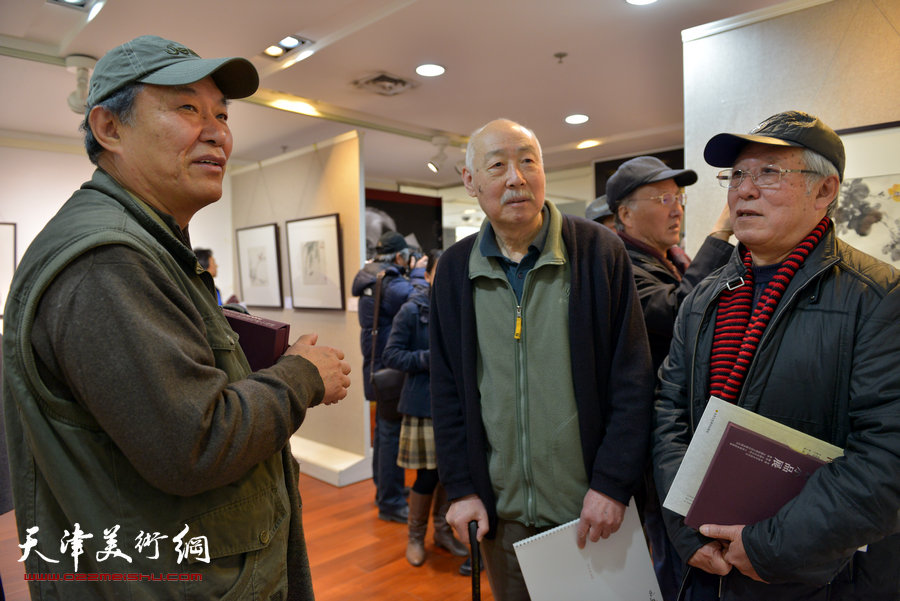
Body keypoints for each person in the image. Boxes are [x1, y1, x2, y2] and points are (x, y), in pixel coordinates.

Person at [2, 35, 351, 601]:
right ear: (109, 129)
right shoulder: (108, 260)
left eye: (221, 113)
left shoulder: (147, 244)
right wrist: (302, 376)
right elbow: (196, 444)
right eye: (187, 107)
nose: (217, 131)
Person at [652, 110, 900, 600]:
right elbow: (669, 413)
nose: (744, 190)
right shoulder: (704, 297)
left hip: (816, 576)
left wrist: (769, 546)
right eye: (738, 175)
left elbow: (887, 454)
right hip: (706, 566)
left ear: (824, 191)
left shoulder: (877, 296)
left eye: (769, 173)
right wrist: (683, 528)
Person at [430, 118, 654, 601]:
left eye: (528, 160)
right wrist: (462, 488)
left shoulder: (598, 252)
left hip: (590, 512)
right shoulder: (454, 269)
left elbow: (633, 379)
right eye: (497, 165)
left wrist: (613, 484)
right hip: (502, 518)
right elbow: (447, 389)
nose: (516, 177)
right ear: (470, 182)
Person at [604, 155, 734, 601]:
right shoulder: (617, 264)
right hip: (652, 442)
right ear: (624, 213)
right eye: (663, 198)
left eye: (678, 197)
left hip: (684, 430)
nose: (676, 208)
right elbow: (677, 309)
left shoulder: (672, 258)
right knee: (670, 554)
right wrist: (721, 234)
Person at [382, 249, 469, 568]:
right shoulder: (411, 309)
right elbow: (391, 355)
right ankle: (416, 537)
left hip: (457, 404)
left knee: (451, 473)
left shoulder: (461, 305)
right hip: (423, 403)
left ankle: (443, 532)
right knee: (427, 475)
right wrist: (428, 359)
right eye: (439, 271)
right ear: (428, 274)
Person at [351, 230, 415, 523]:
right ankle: (391, 500)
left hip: (376, 365)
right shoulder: (390, 283)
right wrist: (420, 271)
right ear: (399, 256)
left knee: (385, 431)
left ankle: (386, 492)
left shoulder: (370, 276)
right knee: (390, 433)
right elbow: (421, 296)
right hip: (390, 367)